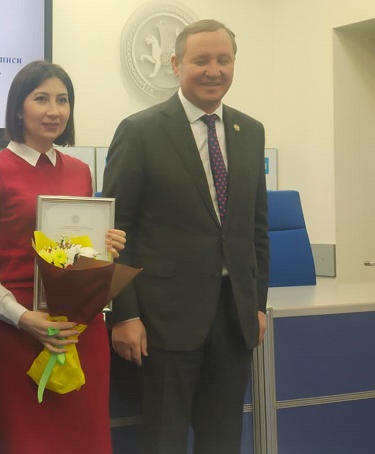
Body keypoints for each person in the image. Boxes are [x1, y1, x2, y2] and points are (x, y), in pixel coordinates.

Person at [102, 20, 269, 453]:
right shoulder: (140, 131)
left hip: (233, 320)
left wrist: (257, 304)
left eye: (223, 59)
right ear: (176, 65)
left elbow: (256, 229)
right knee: (165, 442)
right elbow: (116, 231)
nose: (214, 70)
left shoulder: (250, 131)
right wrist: (125, 315)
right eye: (201, 60)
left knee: (223, 442)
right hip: (163, 322)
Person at [0, 60, 126, 454]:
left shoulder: (81, 171)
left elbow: (81, 254)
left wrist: (107, 246)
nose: (54, 110)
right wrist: (23, 318)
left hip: (82, 331)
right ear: (19, 109)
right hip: (23, 332)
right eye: (41, 99)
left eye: (62, 100)